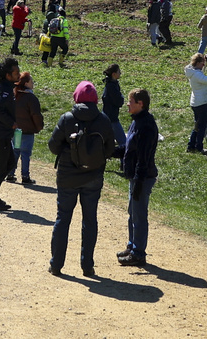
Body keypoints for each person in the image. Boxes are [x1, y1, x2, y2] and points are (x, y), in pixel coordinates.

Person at [47, 81, 115, 276]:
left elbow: (53, 147)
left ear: (76, 97)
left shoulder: (67, 119)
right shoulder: (103, 120)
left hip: (67, 176)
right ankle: (87, 266)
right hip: (93, 176)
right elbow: (109, 149)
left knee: (63, 219)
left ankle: (56, 265)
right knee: (90, 220)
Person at [118, 88, 158, 267]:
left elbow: (144, 157)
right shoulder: (136, 122)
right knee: (132, 213)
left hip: (142, 177)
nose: (128, 104)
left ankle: (139, 253)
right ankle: (132, 246)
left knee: (139, 215)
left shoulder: (146, 125)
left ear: (140, 104)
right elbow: (128, 148)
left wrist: (139, 182)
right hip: (135, 177)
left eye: (131, 101)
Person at [0, 57, 21, 211]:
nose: (19, 75)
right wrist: (12, 123)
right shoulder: (5, 90)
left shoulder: (3, 87)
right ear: (8, 75)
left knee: (9, 163)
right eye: (16, 73)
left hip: (0, 133)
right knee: (2, 166)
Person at [8, 71, 44, 184]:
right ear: (26, 83)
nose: (33, 83)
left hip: (17, 130)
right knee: (25, 154)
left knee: (15, 151)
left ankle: (10, 174)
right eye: (31, 81)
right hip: (27, 131)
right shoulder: (31, 98)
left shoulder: (15, 95)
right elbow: (36, 115)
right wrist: (39, 127)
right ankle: (25, 176)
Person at [185, 52, 207, 154]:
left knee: (197, 126)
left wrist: (205, 60)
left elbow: (201, 71)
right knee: (202, 127)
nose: (204, 65)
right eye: (202, 63)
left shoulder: (192, 71)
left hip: (195, 103)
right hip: (201, 103)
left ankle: (191, 146)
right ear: (197, 63)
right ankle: (199, 147)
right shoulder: (197, 75)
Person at [102, 63, 126, 148]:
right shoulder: (111, 86)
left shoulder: (112, 84)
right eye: (119, 71)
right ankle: (125, 160)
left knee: (105, 142)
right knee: (123, 142)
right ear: (114, 74)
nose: (120, 73)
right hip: (112, 118)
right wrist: (121, 98)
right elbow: (119, 101)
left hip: (107, 116)